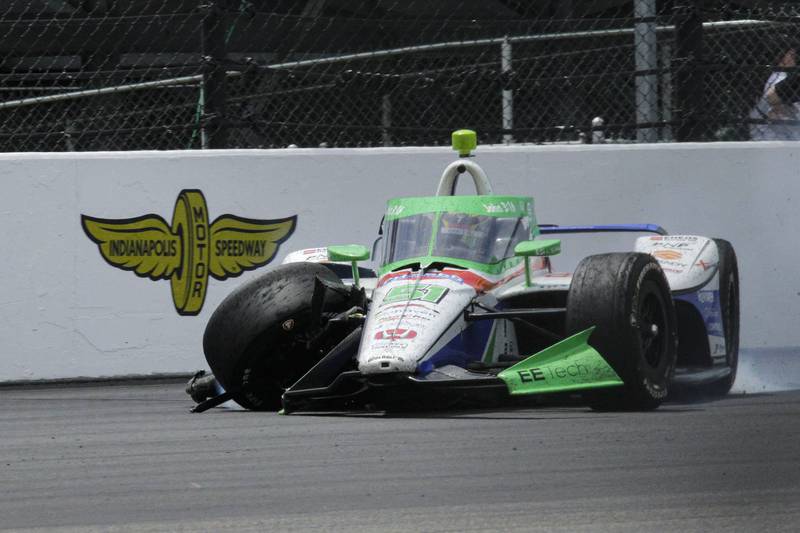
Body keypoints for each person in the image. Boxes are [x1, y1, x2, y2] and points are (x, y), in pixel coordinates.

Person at [750, 47, 800, 140]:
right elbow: (774, 114)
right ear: (781, 57)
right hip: (775, 139)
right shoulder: (780, 78)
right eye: (792, 55)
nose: (795, 58)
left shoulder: (773, 75)